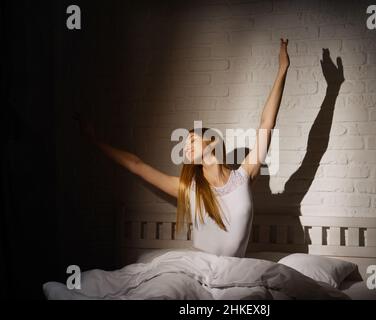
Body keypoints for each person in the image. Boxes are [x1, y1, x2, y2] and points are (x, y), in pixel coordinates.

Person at [73, 38, 290, 258]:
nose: (187, 147)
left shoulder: (244, 175)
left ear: (212, 142)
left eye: (192, 140)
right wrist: (95, 141)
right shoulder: (189, 188)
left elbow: (266, 124)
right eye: (185, 145)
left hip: (234, 273)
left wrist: (282, 69)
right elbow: (136, 165)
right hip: (197, 271)